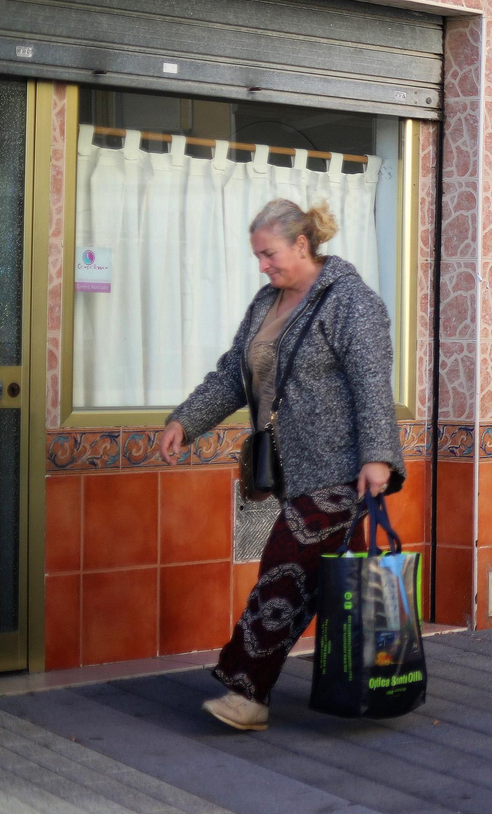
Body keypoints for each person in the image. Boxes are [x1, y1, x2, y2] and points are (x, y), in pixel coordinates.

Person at [159, 198, 404, 731]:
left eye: (269, 254)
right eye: (257, 258)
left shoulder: (351, 302)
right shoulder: (265, 303)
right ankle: (370, 682)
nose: (263, 266)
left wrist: (377, 459)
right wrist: (186, 421)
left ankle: (246, 692)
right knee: (327, 583)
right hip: (294, 472)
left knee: (283, 568)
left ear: (301, 244)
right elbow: (233, 373)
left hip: (341, 469)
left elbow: (371, 384)